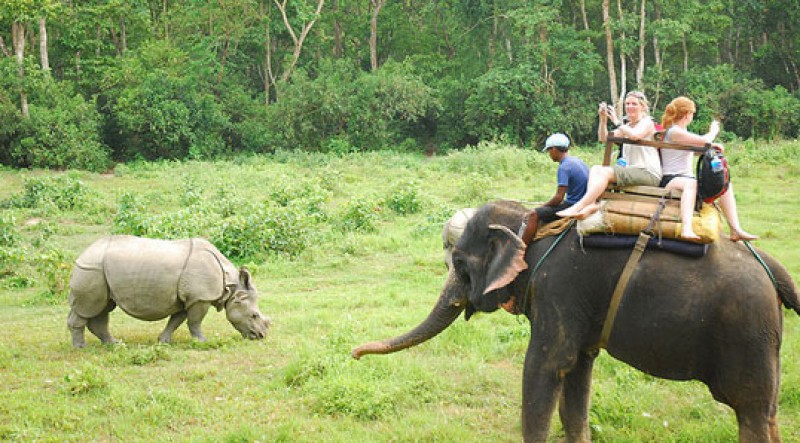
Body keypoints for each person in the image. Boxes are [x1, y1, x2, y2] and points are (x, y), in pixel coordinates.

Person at [659, 96, 757, 242]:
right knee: (691, 184)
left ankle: (735, 229)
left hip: (685, 178)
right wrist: (713, 130)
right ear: (688, 114)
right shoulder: (674, 132)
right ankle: (686, 228)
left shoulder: (681, 132)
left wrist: (713, 147)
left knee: (724, 185)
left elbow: (697, 148)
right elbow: (704, 140)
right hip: (671, 179)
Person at [557, 91, 661, 219]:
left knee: (605, 172)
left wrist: (617, 121)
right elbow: (604, 137)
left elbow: (635, 136)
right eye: (627, 104)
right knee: (595, 169)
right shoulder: (627, 126)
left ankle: (579, 206)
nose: (629, 107)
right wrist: (603, 119)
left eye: (634, 104)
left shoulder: (647, 122)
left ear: (643, 106)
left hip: (648, 172)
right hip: (634, 171)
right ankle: (592, 204)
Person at [519, 133, 589, 245]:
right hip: (584, 201)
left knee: (534, 214)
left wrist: (541, 206)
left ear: (555, 149)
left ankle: (521, 249)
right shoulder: (577, 161)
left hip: (573, 205)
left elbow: (558, 198)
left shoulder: (564, 167)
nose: (549, 154)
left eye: (549, 151)